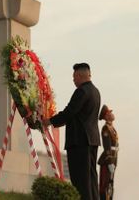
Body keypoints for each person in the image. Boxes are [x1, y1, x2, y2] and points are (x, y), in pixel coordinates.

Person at [43, 63, 101, 200]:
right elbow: (77, 115)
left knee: (81, 181)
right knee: (91, 180)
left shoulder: (82, 91)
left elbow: (70, 111)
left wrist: (49, 121)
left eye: (74, 77)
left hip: (79, 141)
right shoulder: (95, 91)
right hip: (92, 140)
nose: (73, 80)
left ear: (80, 75)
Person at [98, 105, 119, 200]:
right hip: (107, 161)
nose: (112, 114)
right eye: (110, 112)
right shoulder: (106, 128)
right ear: (106, 116)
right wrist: (110, 162)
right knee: (105, 184)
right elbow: (107, 147)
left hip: (113, 159)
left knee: (110, 183)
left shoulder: (111, 128)